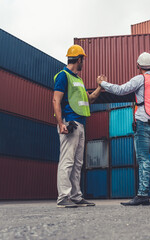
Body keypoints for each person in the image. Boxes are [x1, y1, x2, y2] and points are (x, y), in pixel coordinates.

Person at [97, 52, 150, 205]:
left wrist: (102, 84)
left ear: (138, 66)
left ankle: (143, 195)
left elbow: (120, 90)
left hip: (144, 124)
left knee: (144, 159)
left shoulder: (141, 79)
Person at [53, 45, 102, 208]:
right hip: (69, 123)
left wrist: (100, 87)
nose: (84, 63)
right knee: (67, 161)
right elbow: (56, 100)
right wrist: (61, 123)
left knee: (77, 162)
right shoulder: (63, 76)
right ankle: (63, 197)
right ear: (79, 59)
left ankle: (75, 196)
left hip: (81, 124)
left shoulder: (78, 80)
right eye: (83, 60)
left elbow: (90, 100)